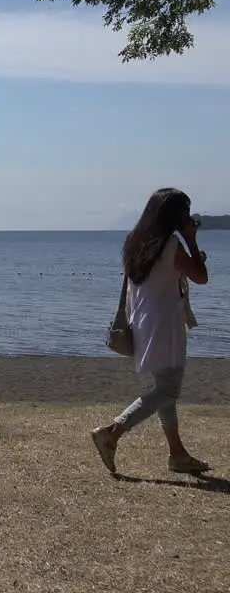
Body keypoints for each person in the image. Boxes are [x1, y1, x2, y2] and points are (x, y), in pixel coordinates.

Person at [90, 188, 211, 476]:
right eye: (185, 211)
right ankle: (112, 431)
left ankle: (178, 455)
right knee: (168, 390)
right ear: (174, 215)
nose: (188, 217)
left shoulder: (135, 242)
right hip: (166, 325)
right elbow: (201, 277)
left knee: (163, 389)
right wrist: (192, 242)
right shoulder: (171, 244)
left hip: (142, 323)